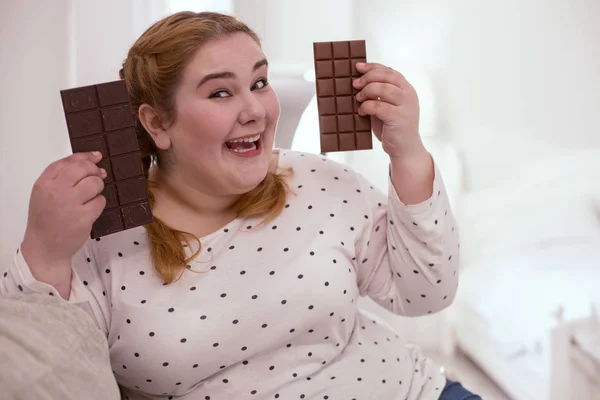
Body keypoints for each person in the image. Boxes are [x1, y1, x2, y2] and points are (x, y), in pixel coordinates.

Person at [0, 11, 479, 400]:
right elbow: (49, 374)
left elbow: (426, 297)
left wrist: (409, 154)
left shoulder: (319, 182)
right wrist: (42, 255)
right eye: (221, 92)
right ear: (157, 122)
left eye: (260, 82)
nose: (254, 109)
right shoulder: (100, 237)